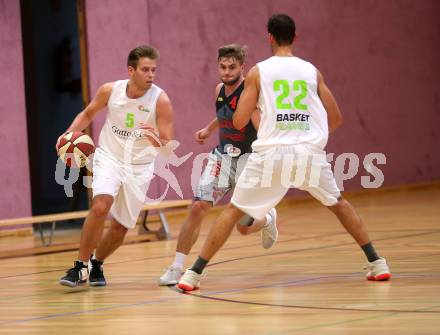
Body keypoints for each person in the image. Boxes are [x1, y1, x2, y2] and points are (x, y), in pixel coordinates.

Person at [178, 14, 391, 291]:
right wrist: (310, 136)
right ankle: (377, 262)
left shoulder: (258, 72)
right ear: (295, 37)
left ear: (269, 38)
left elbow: (240, 121)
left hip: (272, 154)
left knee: (232, 212)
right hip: (308, 153)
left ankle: (193, 274)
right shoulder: (312, 71)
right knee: (338, 204)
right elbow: (336, 117)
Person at [158, 44, 278, 286]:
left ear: (242, 67)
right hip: (222, 157)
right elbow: (224, 112)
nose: (226, 72)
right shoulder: (219, 89)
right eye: (222, 67)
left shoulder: (251, 91)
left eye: (232, 67)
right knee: (197, 207)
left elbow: (262, 126)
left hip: (249, 159)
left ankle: (267, 220)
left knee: (243, 227)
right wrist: (209, 129)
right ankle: (177, 266)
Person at [58, 45, 174, 287]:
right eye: (145, 70)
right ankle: (79, 267)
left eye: (153, 70)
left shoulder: (160, 100)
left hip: (139, 166)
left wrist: (154, 137)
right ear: (131, 70)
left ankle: (96, 263)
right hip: (109, 157)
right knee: (100, 206)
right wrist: (69, 134)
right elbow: (88, 113)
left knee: (120, 228)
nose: (151, 75)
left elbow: (167, 143)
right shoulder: (111, 91)